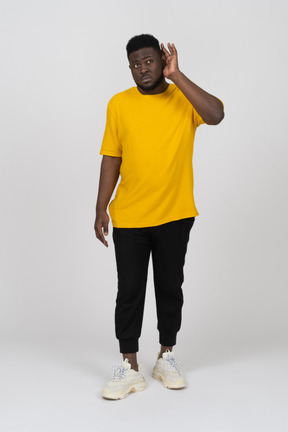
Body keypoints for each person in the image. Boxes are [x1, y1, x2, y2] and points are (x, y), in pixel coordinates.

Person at [94, 34, 224, 400]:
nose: (142, 69)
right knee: (129, 293)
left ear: (162, 60)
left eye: (149, 61)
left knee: (170, 288)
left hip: (175, 213)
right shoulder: (119, 104)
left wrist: (179, 77)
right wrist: (100, 206)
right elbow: (111, 157)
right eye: (135, 63)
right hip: (131, 216)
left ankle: (166, 356)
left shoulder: (183, 98)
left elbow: (216, 115)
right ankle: (129, 366)